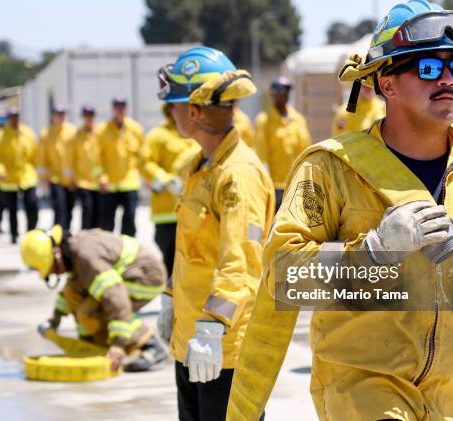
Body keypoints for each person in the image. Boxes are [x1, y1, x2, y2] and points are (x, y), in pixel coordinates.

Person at [228, 1, 453, 420]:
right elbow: (283, 276)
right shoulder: (330, 170)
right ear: (387, 84)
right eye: (428, 68)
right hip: (363, 388)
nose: (447, 81)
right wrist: (372, 253)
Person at [156, 46, 275, 421]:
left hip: (224, 350)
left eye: (172, 106)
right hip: (193, 341)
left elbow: (241, 261)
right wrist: (169, 297)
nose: (170, 114)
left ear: (192, 111)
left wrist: (211, 329)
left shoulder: (237, 174)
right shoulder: (200, 168)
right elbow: (193, 250)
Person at [21, 225, 168, 372]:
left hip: (145, 278)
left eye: (51, 269)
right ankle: (94, 344)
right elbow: (72, 290)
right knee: (77, 295)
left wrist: (118, 346)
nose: (53, 273)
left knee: (92, 310)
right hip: (129, 275)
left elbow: (116, 300)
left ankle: (150, 345)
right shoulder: (75, 252)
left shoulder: (87, 258)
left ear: (57, 255)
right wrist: (55, 318)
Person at [138, 103, 198, 274]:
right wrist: (164, 179)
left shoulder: (194, 133)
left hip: (192, 208)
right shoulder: (158, 135)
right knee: (170, 258)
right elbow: (144, 162)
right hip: (166, 210)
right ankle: (170, 297)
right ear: (170, 110)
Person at [255, 77, 311, 210]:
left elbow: (306, 150)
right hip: (275, 185)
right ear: (273, 94)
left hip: (297, 182)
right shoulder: (264, 121)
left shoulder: (298, 119)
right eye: (279, 91)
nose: (283, 94)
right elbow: (262, 154)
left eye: (286, 91)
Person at [97, 97, 144, 235]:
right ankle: (108, 251)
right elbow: (96, 160)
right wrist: (101, 178)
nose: (120, 109)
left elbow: (142, 156)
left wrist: (145, 177)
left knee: (129, 221)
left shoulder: (136, 129)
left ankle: (128, 252)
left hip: (130, 183)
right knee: (106, 223)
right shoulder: (102, 130)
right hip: (109, 184)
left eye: (122, 106)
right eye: (117, 106)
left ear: (126, 108)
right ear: (113, 108)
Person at [0, 107, 39, 243]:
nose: (14, 119)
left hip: (27, 175)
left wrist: (39, 172)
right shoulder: (0, 135)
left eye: (16, 116)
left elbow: (35, 155)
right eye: (12, 116)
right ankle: (14, 234)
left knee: (32, 204)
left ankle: (31, 233)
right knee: (12, 209)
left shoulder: (28, 133)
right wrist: (0, 171)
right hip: (8, 177)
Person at [37, 105, 77, 232]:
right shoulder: (46, 133)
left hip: (71, 180)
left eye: (62, 114)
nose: (60, 117)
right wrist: (43, 178)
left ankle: (66, 233)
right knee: (59, 208)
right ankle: (58, 235)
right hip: (55, 179)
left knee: (69, 209)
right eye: (57, 114)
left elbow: (78, 155)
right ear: (52, 116)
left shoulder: (73, 131)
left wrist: (76, 178)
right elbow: (41, 158)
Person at [67, 104, 102, 229]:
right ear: (83, 117)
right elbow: (71, 159)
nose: (89, 118)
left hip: (98, 180)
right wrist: (71, 178)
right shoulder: (77, 135)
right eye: (86, 115)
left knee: (98, 213)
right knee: (87, 209)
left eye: (91, 115)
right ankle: (85, 237)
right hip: (82, 181)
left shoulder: (100, 133)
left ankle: (95, 239)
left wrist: (103, 177)